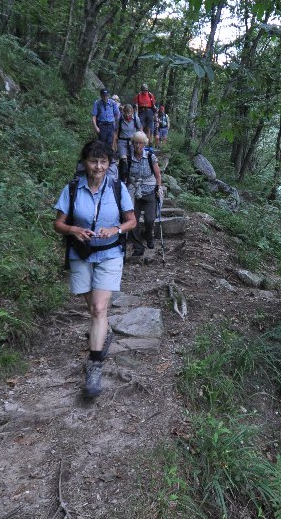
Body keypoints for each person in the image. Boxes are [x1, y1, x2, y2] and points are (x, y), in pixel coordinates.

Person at [53, 140, 136, 399]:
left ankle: (94, 367)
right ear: (84, 163)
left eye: (103, 161)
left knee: (100, 308)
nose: (98, 166)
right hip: (81, 253)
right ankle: (104, 332)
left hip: (110, 253)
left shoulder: (118, 188)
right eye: (93, 161)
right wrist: (73, 229)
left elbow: (132, 221)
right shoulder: (72, 188)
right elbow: (58, 224)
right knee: (93, 309)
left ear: (109, 164)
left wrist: (115, 229)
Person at [127, 131, 162, 256]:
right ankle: (138, 246)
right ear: (132, 143)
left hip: (150, 191)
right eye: (135, 143)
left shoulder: (150, 156)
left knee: (150, 219)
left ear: (144, 144)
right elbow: (124, 175)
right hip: (134, 191)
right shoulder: (128, 158)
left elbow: (158, 175)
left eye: (140, 143)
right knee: (132, 220)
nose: (138, 145)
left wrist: (158, 188)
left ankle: (149, 236)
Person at [116, 104, 141, 183]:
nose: (127, 115)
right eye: (126, 112)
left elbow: (140, 129)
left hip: (132, 142)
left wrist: (140, 140)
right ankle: (122, 178)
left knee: (131, 159)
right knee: (123, 159)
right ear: (123, 112)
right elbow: (116, 131)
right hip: (122, 141)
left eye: (129, 112)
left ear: (132, 112)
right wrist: (114, 143)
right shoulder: (120, 119)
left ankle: (130, 176)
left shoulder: (136, 119)